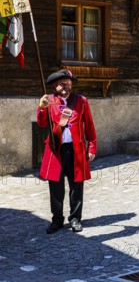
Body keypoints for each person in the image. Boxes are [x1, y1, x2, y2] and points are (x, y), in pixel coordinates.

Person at [37, 70, 97, 234]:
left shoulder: (81, 101)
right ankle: (57, 220)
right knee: (55, 187)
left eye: (69, 84)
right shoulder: (49, 101)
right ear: (56, 86)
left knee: (76, 185)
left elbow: (89, 126)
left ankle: (75, 218)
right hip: (56, 150)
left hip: (76, 149)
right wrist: (42, 108)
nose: (67, 87)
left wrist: (91, 147)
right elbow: (42, 124)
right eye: (63, 84)